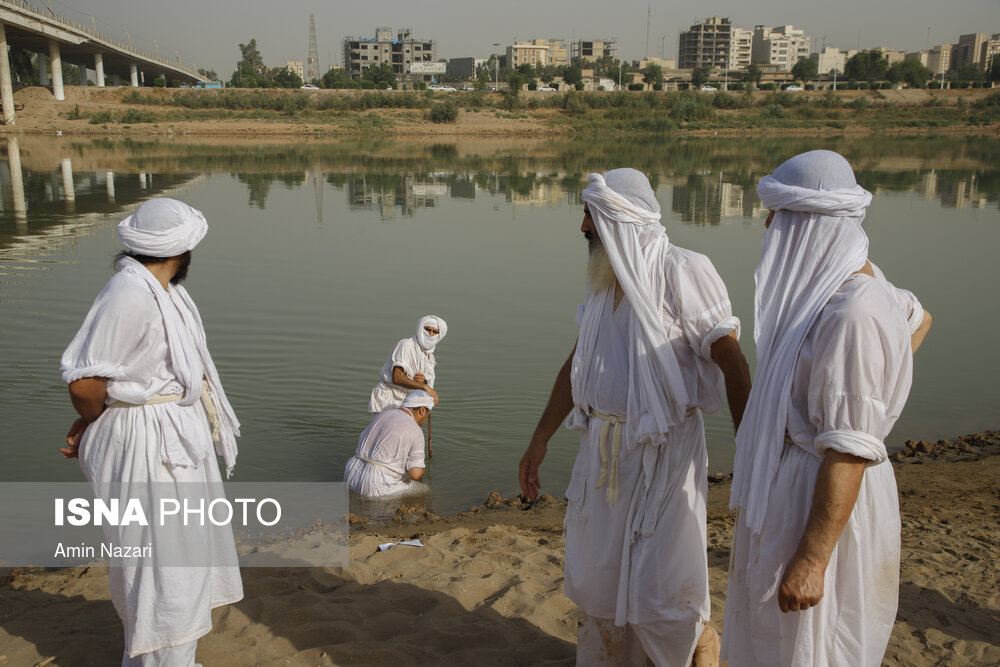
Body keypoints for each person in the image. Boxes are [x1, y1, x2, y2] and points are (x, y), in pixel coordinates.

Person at [518, 169, 751, 666]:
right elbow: (580, 363)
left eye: (590, 216)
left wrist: (751, 452)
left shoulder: (681, 270)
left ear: (620, 220)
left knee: (662, 594)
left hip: (662, 458)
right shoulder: (606, 283)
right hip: (600, 455)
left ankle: (703, 654)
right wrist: (541, 437)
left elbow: (732, 360)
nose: (582, 227)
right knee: (598, 585)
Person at [722, 150, 932, 666]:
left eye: (778, 214)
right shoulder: (845, 287)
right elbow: (919, 318)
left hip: (823, 498)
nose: (769, 224)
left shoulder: (853, 312)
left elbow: (849, 447)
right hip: (797, 484)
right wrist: (879, 378)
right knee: (773, 641)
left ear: (810, 224)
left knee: (815, 647)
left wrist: (813, 558)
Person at [60, 197, 243, 666]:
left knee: (181, 557)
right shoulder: (130, 295)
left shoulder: (161, 291)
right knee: (163, 565)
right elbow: (85, 381)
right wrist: (96, 417)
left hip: (169, 434)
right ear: (182, 252)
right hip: (146, 443)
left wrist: (96, 414)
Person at [345, 390, 433, 498]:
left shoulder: (382, 414)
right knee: (423, 490)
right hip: (376, 484)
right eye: (428, 414)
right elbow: (415, 474)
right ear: (422, 410)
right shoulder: (415, 429)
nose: (425, 419)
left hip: (352, 473)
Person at [368, 315, 447, 412]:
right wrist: (425, 387)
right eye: (427, 329)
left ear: (439, 336)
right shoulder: (406, 345)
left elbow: (426, 382)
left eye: (435, 332)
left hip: (409, 401)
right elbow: (397, 378)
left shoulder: (429, 357)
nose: (430, 334)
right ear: (420, 329)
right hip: (389, 399)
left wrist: (424, 381)